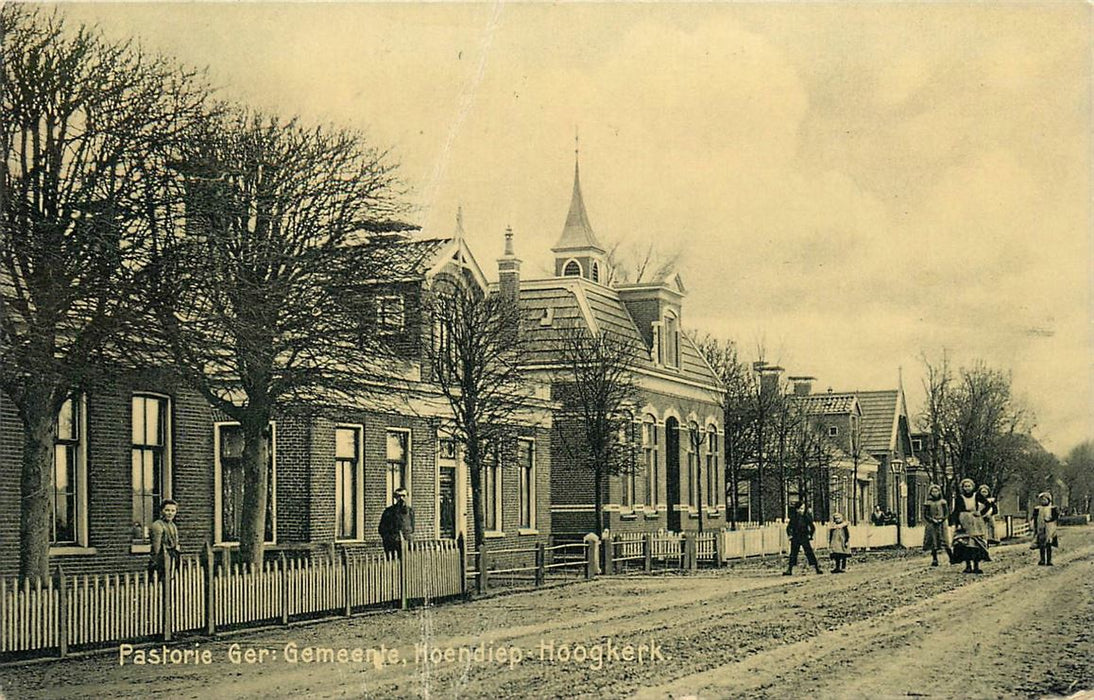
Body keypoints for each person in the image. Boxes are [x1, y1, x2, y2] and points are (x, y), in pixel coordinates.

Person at [949, 478, 990, 574]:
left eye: (969, 486)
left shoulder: (977, 496)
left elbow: (988, 504)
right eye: (965, 486)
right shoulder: (960, 498)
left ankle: (976, 566)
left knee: (976, 543)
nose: (967, 488)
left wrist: (980, 512)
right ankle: (968, 566)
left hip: (975, 520)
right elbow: (956, 511)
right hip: (964, 520)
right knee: (965, 543)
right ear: (962, 488)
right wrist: (956, 523)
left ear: (973, 487)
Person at [784, 500, 823, 576]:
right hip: (795, 537)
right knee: (793, 554)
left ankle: (817, 568)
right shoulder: (794, 517)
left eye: (803, 508)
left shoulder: (806, 516)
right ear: (796, 509)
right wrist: (790, 535)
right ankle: (789, 569)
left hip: (804, 537)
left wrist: (810, 535)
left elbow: (812, 527)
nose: (801, 510)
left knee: (809, 552)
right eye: (800, 509)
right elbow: (789, 527)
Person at [148, 499, 180, 579]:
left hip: (172, 558)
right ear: (162, 511)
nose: (170, 513)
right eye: (167, 510)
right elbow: (156, 549)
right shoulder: (157, 525)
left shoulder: (173, 525)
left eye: (173, 511)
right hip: (161, 560)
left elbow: (176, 543)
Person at [379, 487, 415, 557]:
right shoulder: (388, 512)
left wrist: (408, 537)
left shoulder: (410, 512)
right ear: (395, 498)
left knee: (406, 563)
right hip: (392, 544)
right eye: (399, 496)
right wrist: (390, 539)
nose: (401, 498)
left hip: (406, 543)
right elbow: (382, 529)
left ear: (407, 496)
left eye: (403, 496)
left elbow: (412, 528)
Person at [922, 484, 951, 567]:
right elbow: (925, 514)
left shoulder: (943, 502)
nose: (935, 493)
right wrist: (932, 520)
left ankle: (951, 557)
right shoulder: (928, 503)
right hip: (932, 524)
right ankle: (935, 559)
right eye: (933, 491)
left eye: (936, 491)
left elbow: (946, 513)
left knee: (945, 540)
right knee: (933, 541)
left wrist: (942, 519)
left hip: (942, 523)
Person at [1030, 492, 1059, 566]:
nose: (1043, 501)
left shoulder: (1052, 508)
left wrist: (1050, 519)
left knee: (1048, 544)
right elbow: (1035, 518)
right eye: (1042, 500)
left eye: (1045, 499)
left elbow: (1056, 517)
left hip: (1050, 528)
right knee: (1041, 544)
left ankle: (1049, 560)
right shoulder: (1037, 509)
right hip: (1040, 527)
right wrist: (1034, 526)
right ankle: (1042, 559)